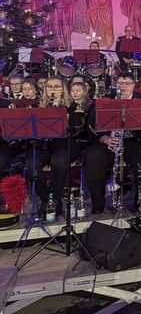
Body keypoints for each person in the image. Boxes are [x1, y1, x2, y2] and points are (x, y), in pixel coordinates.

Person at [84, 72, 141, 213]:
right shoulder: (106, 100)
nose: (123, 87)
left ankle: (140, 201)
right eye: (120, 84)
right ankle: (98, 203)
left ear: (133, 85)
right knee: (94, 158)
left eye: (127, 84)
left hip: (134, 140)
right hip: (110, 140)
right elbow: (91, 124)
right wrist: (103, 138)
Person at [25, 76, 80, 219]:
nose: (53, 90)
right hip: (42, 145)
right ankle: (45, 200)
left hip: (64, 144)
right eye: (50, 87)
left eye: (57, 87)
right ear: (45, 89)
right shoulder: (36, 107)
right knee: (31, 164)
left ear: (63, 89)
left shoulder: (72, 107)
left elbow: (79, 128)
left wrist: (68, 124)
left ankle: (55, 199)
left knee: (59, 162)